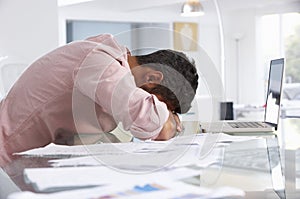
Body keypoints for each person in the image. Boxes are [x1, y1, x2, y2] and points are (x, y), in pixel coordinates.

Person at [0, 34, 198, 167]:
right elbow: (155, 124)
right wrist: (172, 122)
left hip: (22, 162)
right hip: (5, 158)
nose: (159, 109)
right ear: (152, 79)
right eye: (159, 103)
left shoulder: (110, 62)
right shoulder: (100, 62)